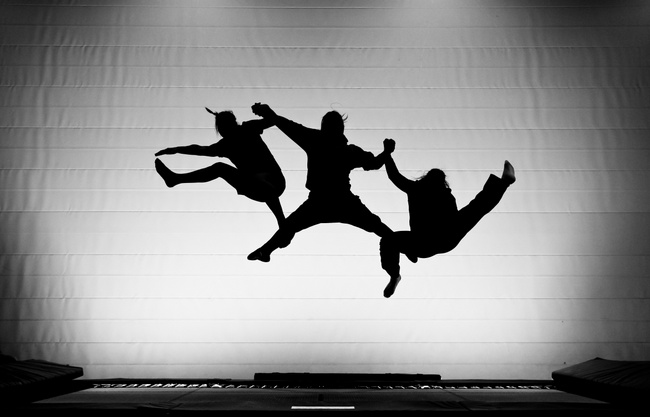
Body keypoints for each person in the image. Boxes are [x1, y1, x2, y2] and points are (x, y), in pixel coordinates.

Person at [246, 103, 394, 262]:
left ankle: (265, 250)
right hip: (340, 201)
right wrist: (386, 152)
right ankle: (402, 244)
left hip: (323, 201)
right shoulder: (346, 150)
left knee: (290, 226)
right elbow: (374, 164)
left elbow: (287, 125)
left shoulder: (317, 141)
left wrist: (268, 113)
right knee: (376, 225)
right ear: (341, 129)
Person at [379, 138, 516, 298]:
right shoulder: (417, 189)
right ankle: (396, 275)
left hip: (444, 234)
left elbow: (395, 176)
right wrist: (387, 154)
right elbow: (394, 176)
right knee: (388, 240)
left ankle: (504, 182)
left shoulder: (441, 194)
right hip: (427, 240)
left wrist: (387, 154)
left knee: (475, 209)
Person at [154, 107, 286, 227]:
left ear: (231, 124)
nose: (220, 131)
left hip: (275, 180)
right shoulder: (225, 145)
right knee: (220, 168)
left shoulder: (248, 128)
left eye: (221, 127)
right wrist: (176, 149)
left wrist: (265, 111)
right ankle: (175, 179)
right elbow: (199, 149)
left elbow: (273, 120)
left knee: (260, 179)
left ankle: (281, 221)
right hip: (253, 186)